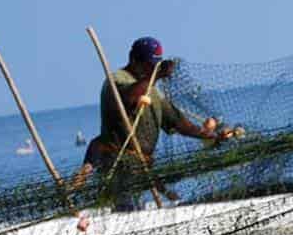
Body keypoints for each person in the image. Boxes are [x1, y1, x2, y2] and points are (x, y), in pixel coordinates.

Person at [74, 36, 221, 201]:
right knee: (123, 208)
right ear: (134, 60)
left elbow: (179, 123)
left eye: (156, 65)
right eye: (150, 64)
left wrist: (210, 135)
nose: (153, 69)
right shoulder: (117, 79)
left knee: (141, 206)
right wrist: (157, 76)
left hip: (142, 169)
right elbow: (128, 99)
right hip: (117, 166)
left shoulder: (154, 91)